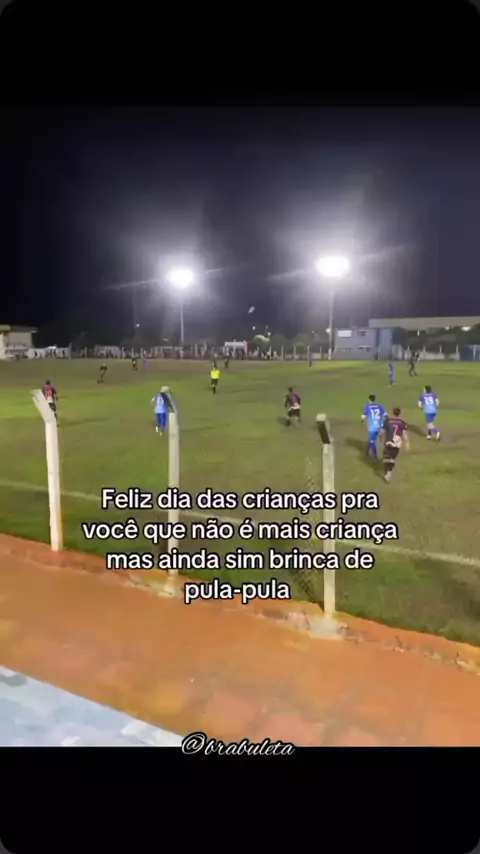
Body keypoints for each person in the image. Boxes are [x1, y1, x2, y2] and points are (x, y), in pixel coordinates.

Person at [382, 407, 409, 482]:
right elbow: (404, 434)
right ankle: (388, 472)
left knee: (386, 458)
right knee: (391, 458)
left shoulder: (387, 421)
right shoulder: (402, 422)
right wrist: (406, 443)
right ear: (399, 413)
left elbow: (382, 431)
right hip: (397, 442)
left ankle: (388, 472)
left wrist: (381, 438)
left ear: (393, 413)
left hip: (388, 441)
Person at [361, 394, 387, 460]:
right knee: (374, 439)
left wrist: (362, 420)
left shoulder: (368, 406)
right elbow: (385, 415)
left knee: (373, 441)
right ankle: (367, 451)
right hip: (380, 426)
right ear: (375, 399)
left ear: (369, 400)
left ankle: (375, 456)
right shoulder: (380, 406)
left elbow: (364, 415)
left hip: (373, 427)